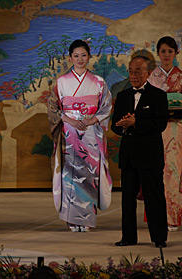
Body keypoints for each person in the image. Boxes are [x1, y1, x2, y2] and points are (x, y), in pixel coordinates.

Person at [48, 39, 112, 232]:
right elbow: (52, 107)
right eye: (76, 55)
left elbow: (107, 106)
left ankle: (87, 219)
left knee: (89, 176)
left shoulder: (99, 82)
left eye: (83, 55)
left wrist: (93, 120)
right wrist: (68, 119)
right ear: (70, 58)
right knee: (70, 177)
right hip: (69, 133)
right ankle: (71, 219)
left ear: (89, 57)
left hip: (91, 133)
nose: (80, 59)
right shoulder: (61, 82)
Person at [112, 56, 168, 248]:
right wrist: (122, 126)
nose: (133, 75)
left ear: (147, 73)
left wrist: (136, 122)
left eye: (138, 71)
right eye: (131, 71)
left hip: (150, 156)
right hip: (129, 156)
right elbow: (115, 126)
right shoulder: (122, 96)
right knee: (127, 200)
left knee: (154, 197)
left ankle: (159, 237)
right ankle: (128, 237)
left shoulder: (159, 96)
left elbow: (160, 124)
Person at [148, 36, 182, 232]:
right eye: (163, 51)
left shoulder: (181, 76)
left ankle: (175, 215)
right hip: (157, 131)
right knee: (160, 172)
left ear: (175, 53)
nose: (167, 55)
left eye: (170, 51)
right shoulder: (152, 78)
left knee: (175, 171)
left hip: (178, 130)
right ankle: (163, 216)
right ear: (158, 53)